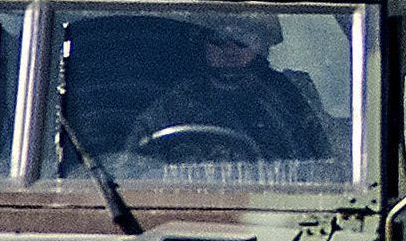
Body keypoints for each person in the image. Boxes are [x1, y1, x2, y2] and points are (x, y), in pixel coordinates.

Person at [126, 18, 331, 167]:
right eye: (219, 39)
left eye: (242, 39)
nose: (229, 49)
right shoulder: (173, 104)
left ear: (262, 43)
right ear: (202, 44)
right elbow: (135, 166)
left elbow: (323, 161)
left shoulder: (288, 97)